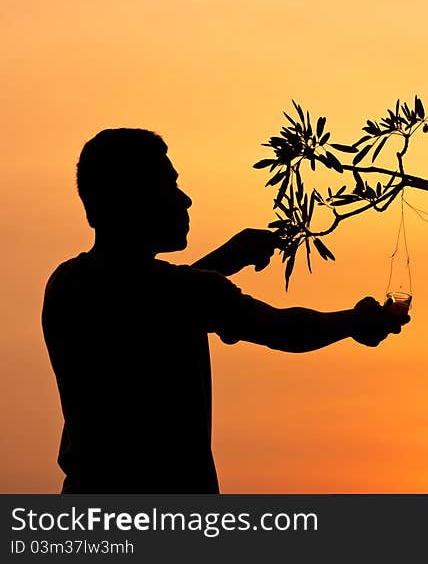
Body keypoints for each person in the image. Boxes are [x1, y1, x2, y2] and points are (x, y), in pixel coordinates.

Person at [41, 127, 409, 494]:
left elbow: (149, 306)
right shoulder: (183, 292)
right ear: (134, 198)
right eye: (170, 186)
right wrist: (356, 321)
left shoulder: (67, 285)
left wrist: (226, 259)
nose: (185, 200)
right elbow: (283, 329)